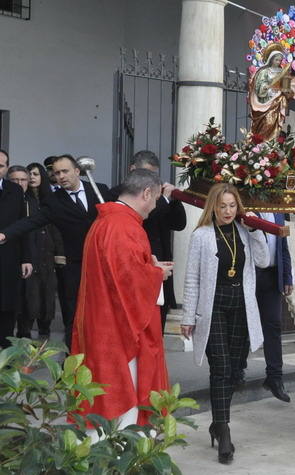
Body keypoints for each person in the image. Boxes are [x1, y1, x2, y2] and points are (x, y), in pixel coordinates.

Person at [71, 169, 172, 429]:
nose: (155, 206)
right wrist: (157, 274)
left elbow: (120, 271)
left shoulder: (110, 221)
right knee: (121, 401)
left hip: (102, 318)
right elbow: (127, 280)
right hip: (117, 328)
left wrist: (148, 267)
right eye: (156, 198)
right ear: (146, 193)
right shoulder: (123, 226)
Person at [180, 183, 268, 464]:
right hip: (213, 306)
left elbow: (264, 261)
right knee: (220, 368)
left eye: (232, 206)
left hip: (241, 306)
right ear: (213, 208)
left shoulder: (244, 231)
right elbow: (192, 278)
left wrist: (255, 231)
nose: (228, 211)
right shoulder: (202, 235)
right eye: (222, 206)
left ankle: (217, 424)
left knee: (234, 370)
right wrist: (187, 316)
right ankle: (224, 431)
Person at [0, 154, 111, 350]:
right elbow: (31, 221)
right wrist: (5, 234)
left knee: (103, 314)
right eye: (57, 173)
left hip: (104, 264)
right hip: (75, 267)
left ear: (77, 171)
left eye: (65, 171)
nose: (61, 176)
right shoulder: (54, 201)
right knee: (72, 316)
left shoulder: (99, 189)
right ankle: (70, 361)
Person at [109, 150, 186, 332]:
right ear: (132, 169)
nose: (151, 179)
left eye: (154, 175)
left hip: (159, 265)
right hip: (138, 267)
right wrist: (163, 200)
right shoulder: (118, 194)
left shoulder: (159, 195)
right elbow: (145, 217)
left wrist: (174, 201)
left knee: (158, 323)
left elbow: (179, 224)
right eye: (146, 173)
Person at [16, 163, 63, 339]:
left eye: (36, 174)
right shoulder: (23, 199)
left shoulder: (51, 200)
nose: (32, 177)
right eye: (30, 174)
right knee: (28, 296)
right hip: (30, 251)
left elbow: (57, 229)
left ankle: (45, 335)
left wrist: (59, 254)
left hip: (48, 254)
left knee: (47, 295)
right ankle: (24, 334)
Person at [255, 212, 293, 402]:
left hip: (272, 275)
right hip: (251, 274)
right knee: (244, 324)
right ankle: (237, 372)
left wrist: (287, 276)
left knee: (274, 326)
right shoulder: (247, 208)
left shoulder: (278, 213)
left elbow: (283, 246)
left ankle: (275, 377)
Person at [0, 153, 33, 347]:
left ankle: (6, 353)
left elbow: (23, 225)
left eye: (1, 166)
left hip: (9, 256)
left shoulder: (14, 190)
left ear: (6, 168)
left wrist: (26, 258)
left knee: (7, 305)